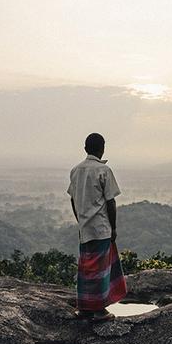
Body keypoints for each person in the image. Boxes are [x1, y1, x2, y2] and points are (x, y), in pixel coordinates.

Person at [67, 133, 127, 322]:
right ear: (103, 148)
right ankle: (100, 310)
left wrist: (80, 220)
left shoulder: (75, 170)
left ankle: (84, 308)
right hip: (101, 227)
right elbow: (110, 202)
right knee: (101, 270)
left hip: (85, 229)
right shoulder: (104, 170)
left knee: (87, 269)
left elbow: (72, 199)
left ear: (85, 149)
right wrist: (114, 227)